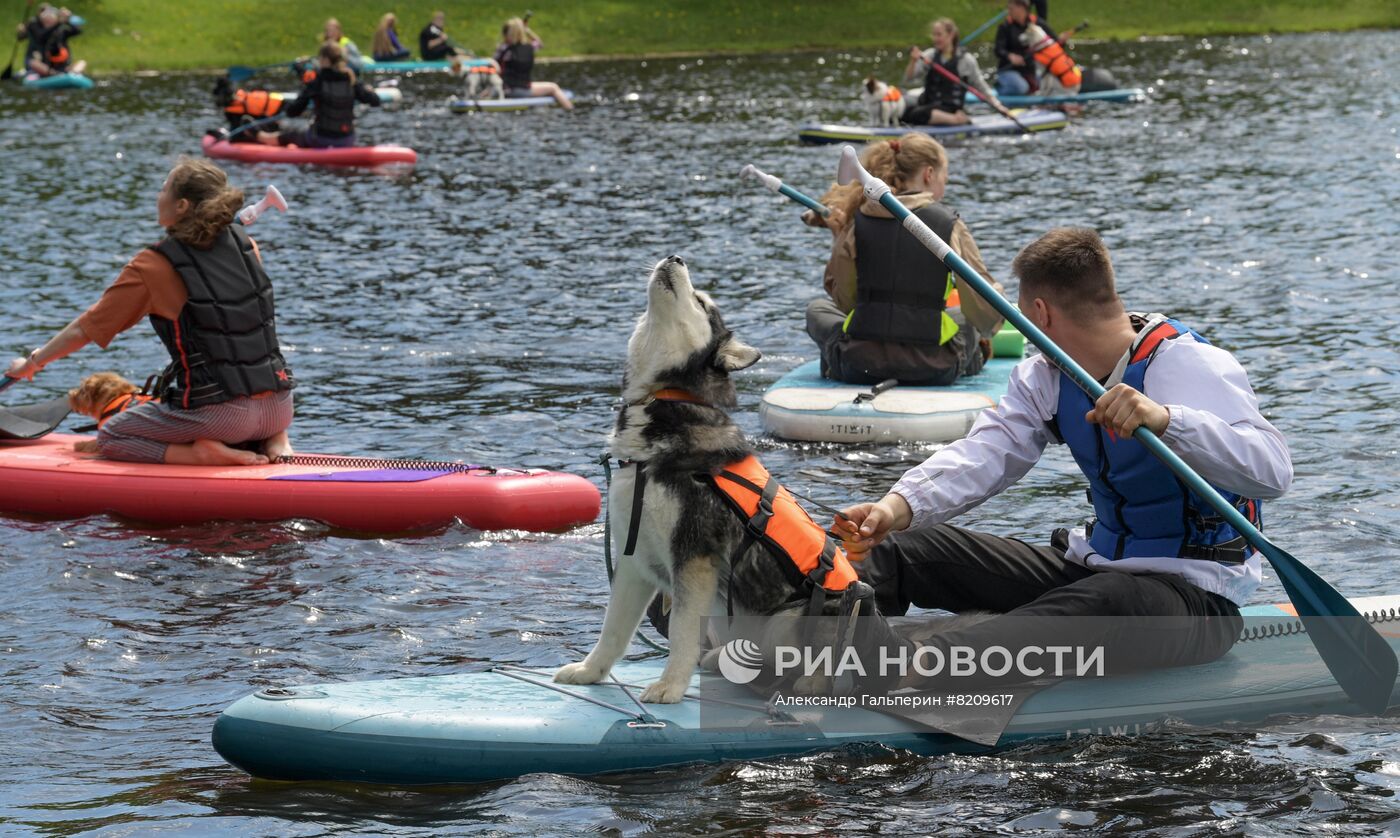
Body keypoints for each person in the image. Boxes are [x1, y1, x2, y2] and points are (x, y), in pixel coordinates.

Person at [835, 227, 1292, 682]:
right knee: (902, 547)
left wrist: (1169, 420)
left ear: (1040, 313)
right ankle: (818, 634)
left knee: (1111, 599)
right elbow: (987, 453)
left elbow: (1273, 472)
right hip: (1091, 569)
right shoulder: (1045, 377)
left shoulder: (1187, 364)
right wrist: (895, 507)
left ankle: (913, 667)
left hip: (1193, 602)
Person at [3, 159, 295, 466]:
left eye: (163, 188)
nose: (158, 196)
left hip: (222, 417)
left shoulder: (153, 265)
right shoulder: (248, 246)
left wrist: (32, 363)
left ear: (181, 205)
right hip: (281, 405)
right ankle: (275, 439)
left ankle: (199, 454)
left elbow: (86, 328)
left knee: (112, 435)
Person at [802, 134, 1003, 386]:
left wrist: (838, 237)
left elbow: (845, 303)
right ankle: (971, 361)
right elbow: (984, 313)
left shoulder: (857, 222)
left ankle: (832, 364)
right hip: (935, 368)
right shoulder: (950, 225)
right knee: (966, 319)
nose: (947, 180)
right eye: (945, 174)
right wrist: (995, 300)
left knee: (816, 310)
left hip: (858, 364)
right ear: (929, 174)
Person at [257, 44, 382, 149]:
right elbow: (375, 101)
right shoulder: (352, 80)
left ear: (326, 60)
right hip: (347, 140)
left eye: (320, 58)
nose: (318, 61)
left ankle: (260, 136)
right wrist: (368, 90)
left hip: (321, 139)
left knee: (291, 133)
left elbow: (294, 111)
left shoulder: (317, 81)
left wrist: (286, 110)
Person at [901, 17, 999, 126]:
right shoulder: (930, 55)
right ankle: (940, 118)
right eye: (934, 35)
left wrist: (997, 105)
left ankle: (956, 120)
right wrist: (913, 61)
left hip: (949, 108)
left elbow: (980, 86)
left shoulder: (966, 60)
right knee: (903, 110)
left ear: (951, 35)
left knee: (918, 114)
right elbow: (909, 79)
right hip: (928, 103)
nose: (935, 39)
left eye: (939, 35)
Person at [495, 16, 572, 109]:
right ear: (521, 32)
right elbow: (539, 43)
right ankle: (570, 110)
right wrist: (527, 30)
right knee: (553, 87)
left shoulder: (503, 49)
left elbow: (495, 64)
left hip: (505, 88)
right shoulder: (529, 48)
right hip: (520, 89)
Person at [993, 0, 1057, 96]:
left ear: (1022, 8)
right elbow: (998, 49)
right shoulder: (1005, 27)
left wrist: (1061, 40)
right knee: (1022, 87)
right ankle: (999, 91)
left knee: (1050, 85)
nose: (1009, 12)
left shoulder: (1037, 23)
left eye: (1011, 9)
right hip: (1008, 70)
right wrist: (1010, 56)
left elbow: (1055, 41)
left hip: (1031, 70)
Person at [18, 5, 85, 77]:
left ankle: (70, 74)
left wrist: (67, 19)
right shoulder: (35, 27)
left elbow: (77, 31)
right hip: (44, 64)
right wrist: (58, 22)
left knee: (82, 63)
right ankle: (56, 75)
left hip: (60, 64)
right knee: (34, 63)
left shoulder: (61, 31)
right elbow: (40, 36)